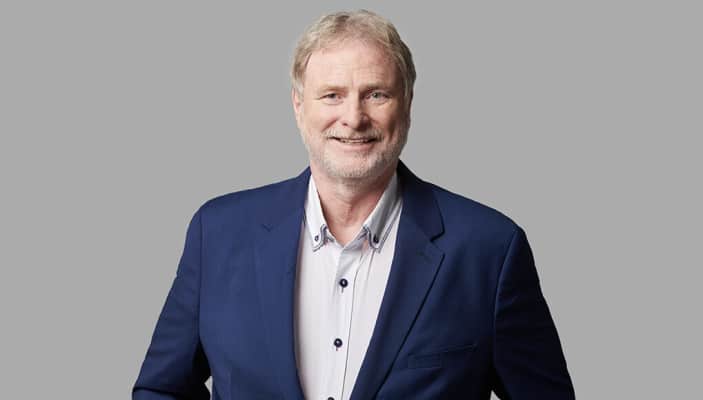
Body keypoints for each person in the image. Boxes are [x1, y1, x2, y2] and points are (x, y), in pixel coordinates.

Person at [133, 9, 575, 400]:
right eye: (332, 95)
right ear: (298, 105)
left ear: (407, 104)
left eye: (376, 94)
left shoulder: (489, 250)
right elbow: (160, 389)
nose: (353, 118)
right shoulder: (218, 233)